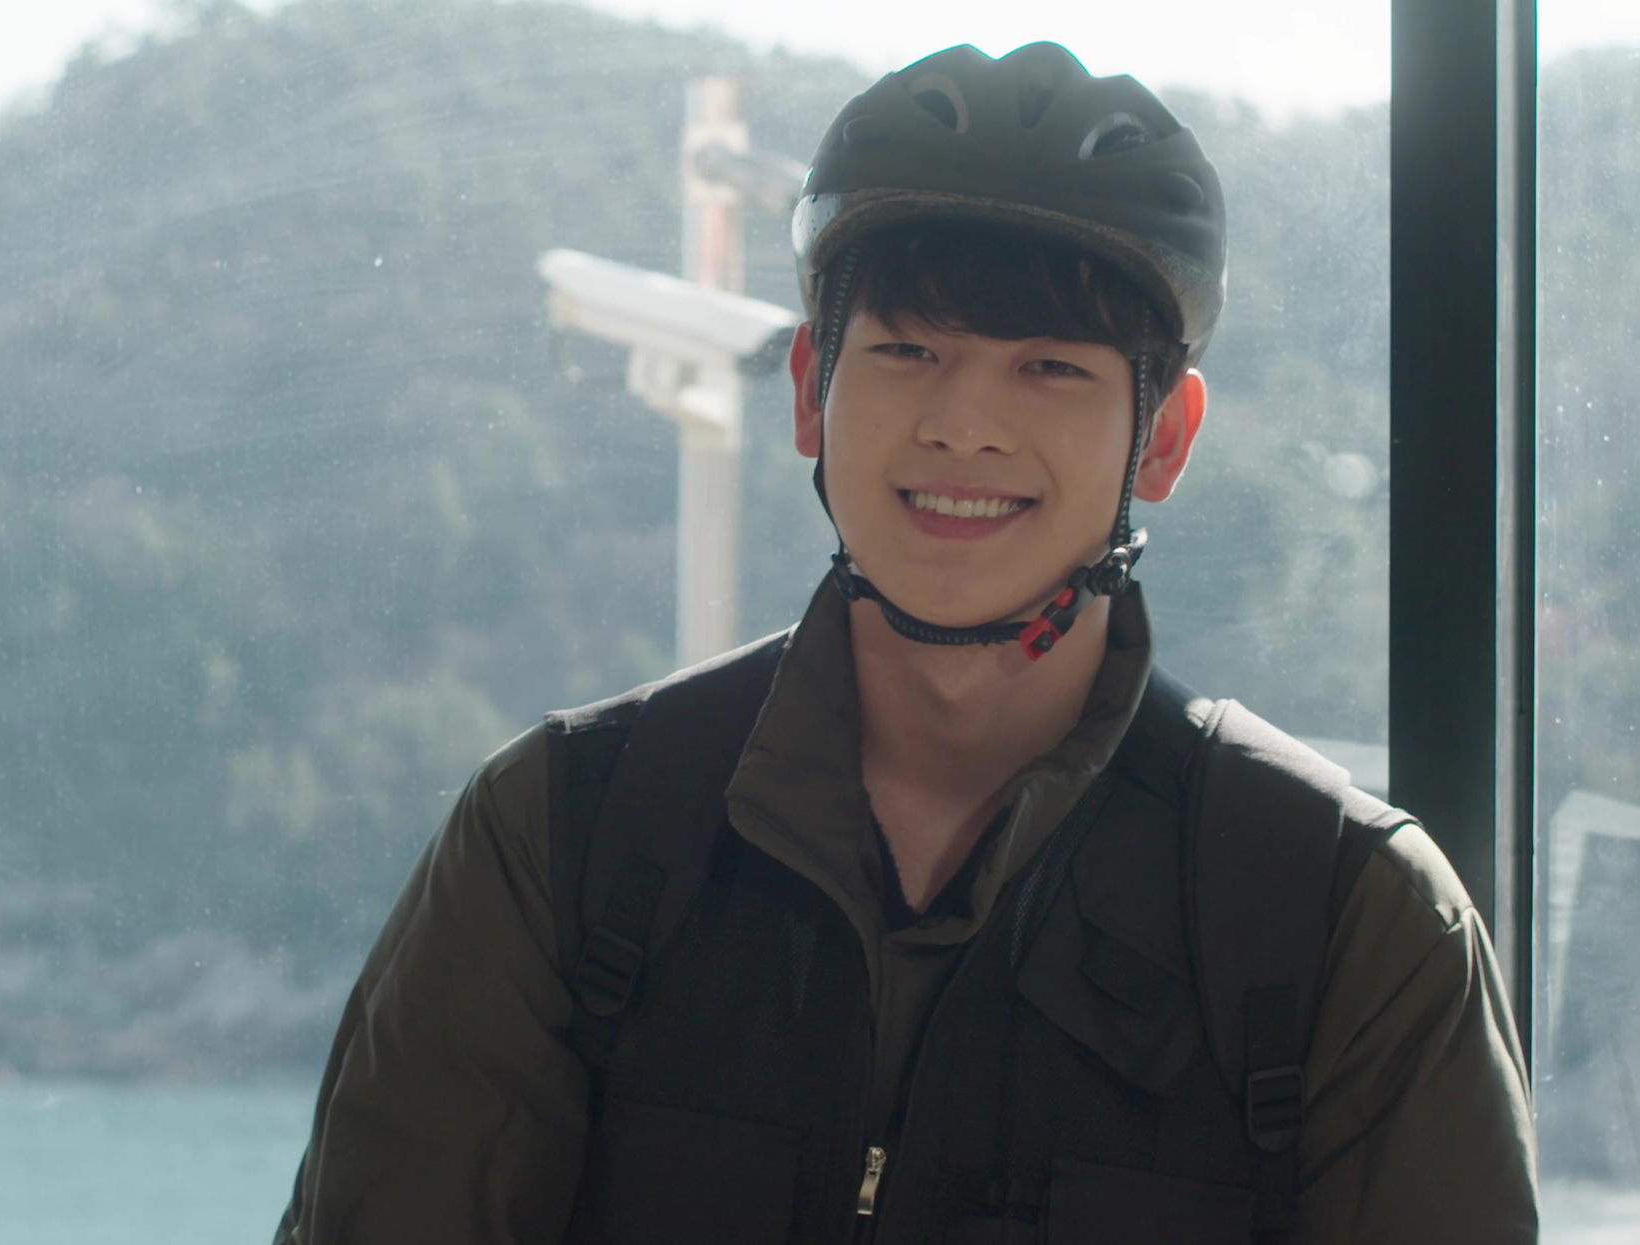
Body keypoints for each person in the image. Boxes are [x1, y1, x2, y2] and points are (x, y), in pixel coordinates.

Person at [275, 41, 1535, 1245]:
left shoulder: (1347, 919)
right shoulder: (565, 838)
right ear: (809, 389)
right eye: (908, 349)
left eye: (1050, 367)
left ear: (1163, 437)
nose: (962, 424)